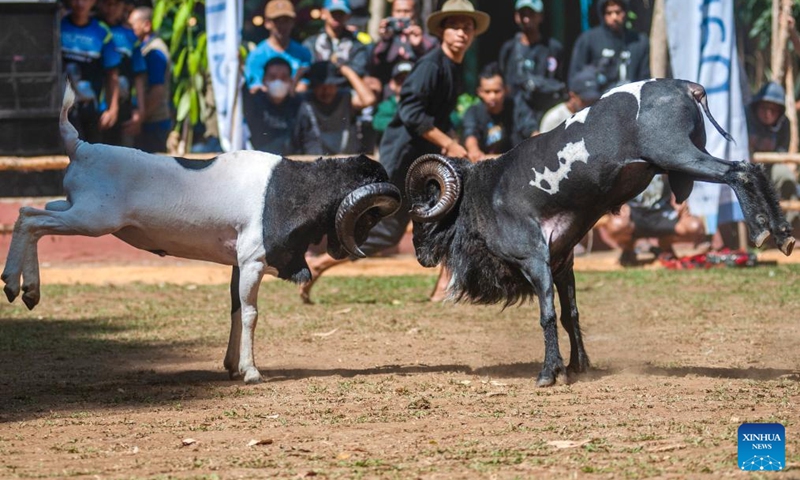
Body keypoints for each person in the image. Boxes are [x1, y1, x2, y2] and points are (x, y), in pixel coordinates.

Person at [300, 0, 490, 303]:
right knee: (389, 232)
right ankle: (320, 263)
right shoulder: (431, 65)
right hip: (404, 156)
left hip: (424, 157)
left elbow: (440, 118)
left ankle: (444, 288)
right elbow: (411, 114)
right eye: (455, 26)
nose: (462, 33)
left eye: (467, 27)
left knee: (447, 214)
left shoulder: (454, 67)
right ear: (442, 31)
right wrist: (450, 144)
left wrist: (466, 146)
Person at [602, 175, 706, 266]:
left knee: (694, 227)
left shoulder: (665, 156)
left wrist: (681, 198)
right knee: (616, 226)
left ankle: (665, 245)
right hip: (634, 212)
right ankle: (628, 248)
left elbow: (678, 176)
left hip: (663, 211)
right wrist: (619, 202)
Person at [498, 0, 565, 138]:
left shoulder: (553, 48)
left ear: (540, 16)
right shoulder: (509, 49)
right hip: (516, 121)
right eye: (523, 14)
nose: (527, 19)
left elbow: (560, 82)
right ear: (516, 17)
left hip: (546, 117)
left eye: (531, 14)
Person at [61, 0, 121, 144]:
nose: (80, 3)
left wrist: (113, 109)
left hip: (91, 110)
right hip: (60, 110)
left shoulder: (102, 32)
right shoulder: (57, 25)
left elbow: (112, 73)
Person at [746, 81, 800, 231]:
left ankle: (789, 229)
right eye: (764, 108)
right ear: (757, 106)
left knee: (786, 177)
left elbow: (781, 153)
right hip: (745, 166)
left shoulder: (784, 124)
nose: (768, 113)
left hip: (770, 168)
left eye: (773, 110)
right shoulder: (744, 119)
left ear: (780, 112)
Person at [292, 60, 377, 155]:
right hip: (316, 161)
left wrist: (348, 72)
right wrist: (298, 75)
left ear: (337, 85)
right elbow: (287, 99)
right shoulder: (306, 100)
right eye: (320, 86)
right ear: (313, 86)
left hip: (345, 160)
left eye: (330, 85)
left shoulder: (346, 97)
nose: (326, 90)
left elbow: (369, 100)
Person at [568, 0, 649, 94]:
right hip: (598, 100)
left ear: (625, 12)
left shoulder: (639, 42)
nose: (614, 17)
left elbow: (645, 78)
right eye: (609, 13)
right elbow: (575, 77)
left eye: (618, 12)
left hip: (632, 99)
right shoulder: (588, 40)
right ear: (602, 14)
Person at [97, 0, 147, 147]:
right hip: (94, 110)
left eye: (116, 4)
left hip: (125, 110)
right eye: (107, 4)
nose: (110, 9)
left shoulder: (130, 36)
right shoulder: (93, 29)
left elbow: (138, 75)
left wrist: (141, 111)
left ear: (123, 7)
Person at [244, 0, 312, 94]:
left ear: (293, 22)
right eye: (277, 21)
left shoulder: (303, 53)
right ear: (267, 23)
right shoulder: (256, 56)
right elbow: (255, 88)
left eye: (286, 20)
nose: (282, 26)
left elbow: (305, 81)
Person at [128, 6, 172, 153]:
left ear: (146, 25)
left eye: (132, 26)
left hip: (154, 123)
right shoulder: (145, 48)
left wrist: (140, 119)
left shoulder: (154, 52)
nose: (129, 29)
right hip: (150, 121)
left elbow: (157, 91)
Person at [369, 0, 439, 86]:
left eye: (407, 11)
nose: (402, 15)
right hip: (390, 89)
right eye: (398, 11)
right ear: (392, 13)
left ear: (415, 13)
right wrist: (385, 40)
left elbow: (434, 65)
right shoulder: (387, 39)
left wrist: (419, 47)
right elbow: (374, 65)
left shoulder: (426, 40)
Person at [303, 0, 370, 87]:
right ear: (323, 13)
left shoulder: (356, 45)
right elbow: (307, 70)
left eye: (341, 14)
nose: (337, 17)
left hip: (345, 92)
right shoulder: (311, 43)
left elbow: (359, 70)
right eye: (333, 13)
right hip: (316, 91)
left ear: (347, 16)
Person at [243, 57, 301, 155]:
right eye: (273, 77)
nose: (278, 82)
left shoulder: (300, 106)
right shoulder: (254, 103)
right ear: (264, 80)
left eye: (283, 78)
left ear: (291, 81)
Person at [462, 62, 518, 162]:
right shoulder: (473, 112)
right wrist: (474, 151)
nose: (492, 96)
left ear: (506, 90)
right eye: (487, 92)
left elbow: (530, 129)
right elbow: (470, 134)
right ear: (480, 92)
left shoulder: (516, 108)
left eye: (497, 91)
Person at [538, 65, 602, 133]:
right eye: (584, 101)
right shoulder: (555, 118)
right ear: (572, 96)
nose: (588, 104)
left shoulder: (596, 116)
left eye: (592, 101)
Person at [372, 60, 412, 143]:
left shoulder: (422, 104)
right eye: (400, 80)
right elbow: (377, 123)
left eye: (409, 79)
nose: (404, 83)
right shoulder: (385, 106)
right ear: (392, 84)